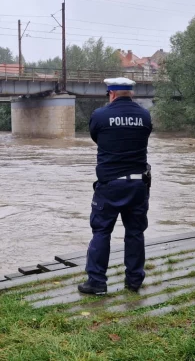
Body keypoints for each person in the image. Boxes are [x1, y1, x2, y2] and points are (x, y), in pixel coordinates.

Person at [78, 77, 153, 295]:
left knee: (102, 231)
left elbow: (97, 137)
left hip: (110, 185)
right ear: (130, 93)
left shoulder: (100, 115)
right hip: (139, 184)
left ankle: (97, 282)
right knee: (135, 232)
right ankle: (134, 281)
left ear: (110, 93)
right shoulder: (144, 116)